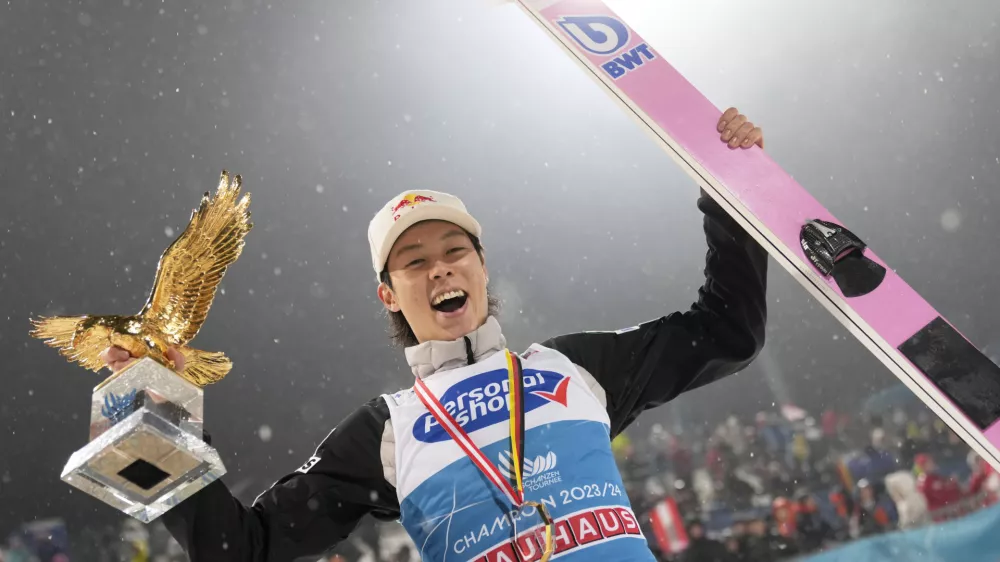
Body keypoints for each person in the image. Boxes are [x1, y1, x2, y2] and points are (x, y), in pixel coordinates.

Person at [100, 109, 768, 561]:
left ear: (481, 268)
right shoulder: (387, 430)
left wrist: (730, 186)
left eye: (456, 250)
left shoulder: (576, 368)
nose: (441, 267)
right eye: (415, 261)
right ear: (388, 294)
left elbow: (727, 330)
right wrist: (149, 421)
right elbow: (239, 550)